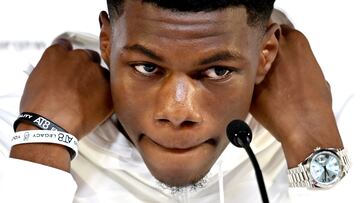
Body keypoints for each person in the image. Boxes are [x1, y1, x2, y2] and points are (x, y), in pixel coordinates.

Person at [0, 0, 351, 202]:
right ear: (106, 43)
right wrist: (40, 149)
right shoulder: (13, 129)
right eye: (147, 67)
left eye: (217, 71)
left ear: (265, 54)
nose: (178, 112)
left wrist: (313, 146)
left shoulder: (345, 122)